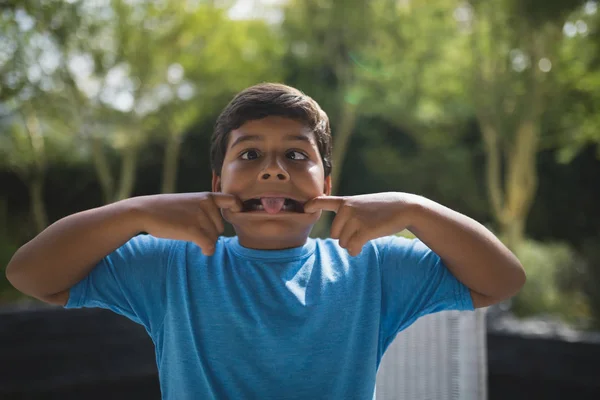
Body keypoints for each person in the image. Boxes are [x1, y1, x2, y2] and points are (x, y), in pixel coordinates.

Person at [6, 83, 525, 399]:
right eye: (250, 155)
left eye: (296, 156)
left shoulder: (371, 266)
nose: (274, 172)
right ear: (216, 185)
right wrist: (136, 211)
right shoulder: (171, 265)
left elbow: (501, 280)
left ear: (326, 187)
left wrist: (416, 209)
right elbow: (30, 275)